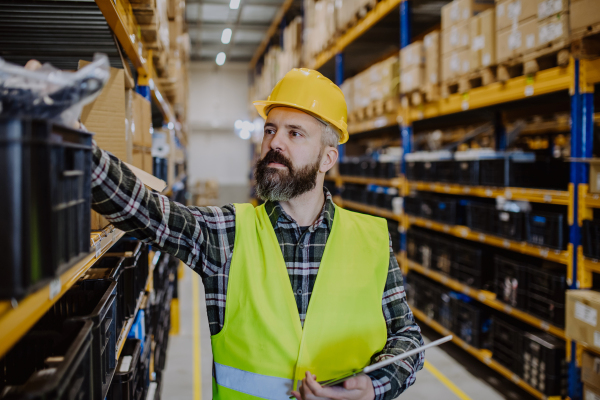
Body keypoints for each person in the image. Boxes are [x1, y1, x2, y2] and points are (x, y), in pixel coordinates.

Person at [90, 68, 424, 399]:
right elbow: (145, 211)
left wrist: (373, 387)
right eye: (270, 129)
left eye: (294, 133)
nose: (274, 142)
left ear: (327, 158)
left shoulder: (372, 239)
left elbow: (407, 337)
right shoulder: (228, 235)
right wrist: (77, 147)